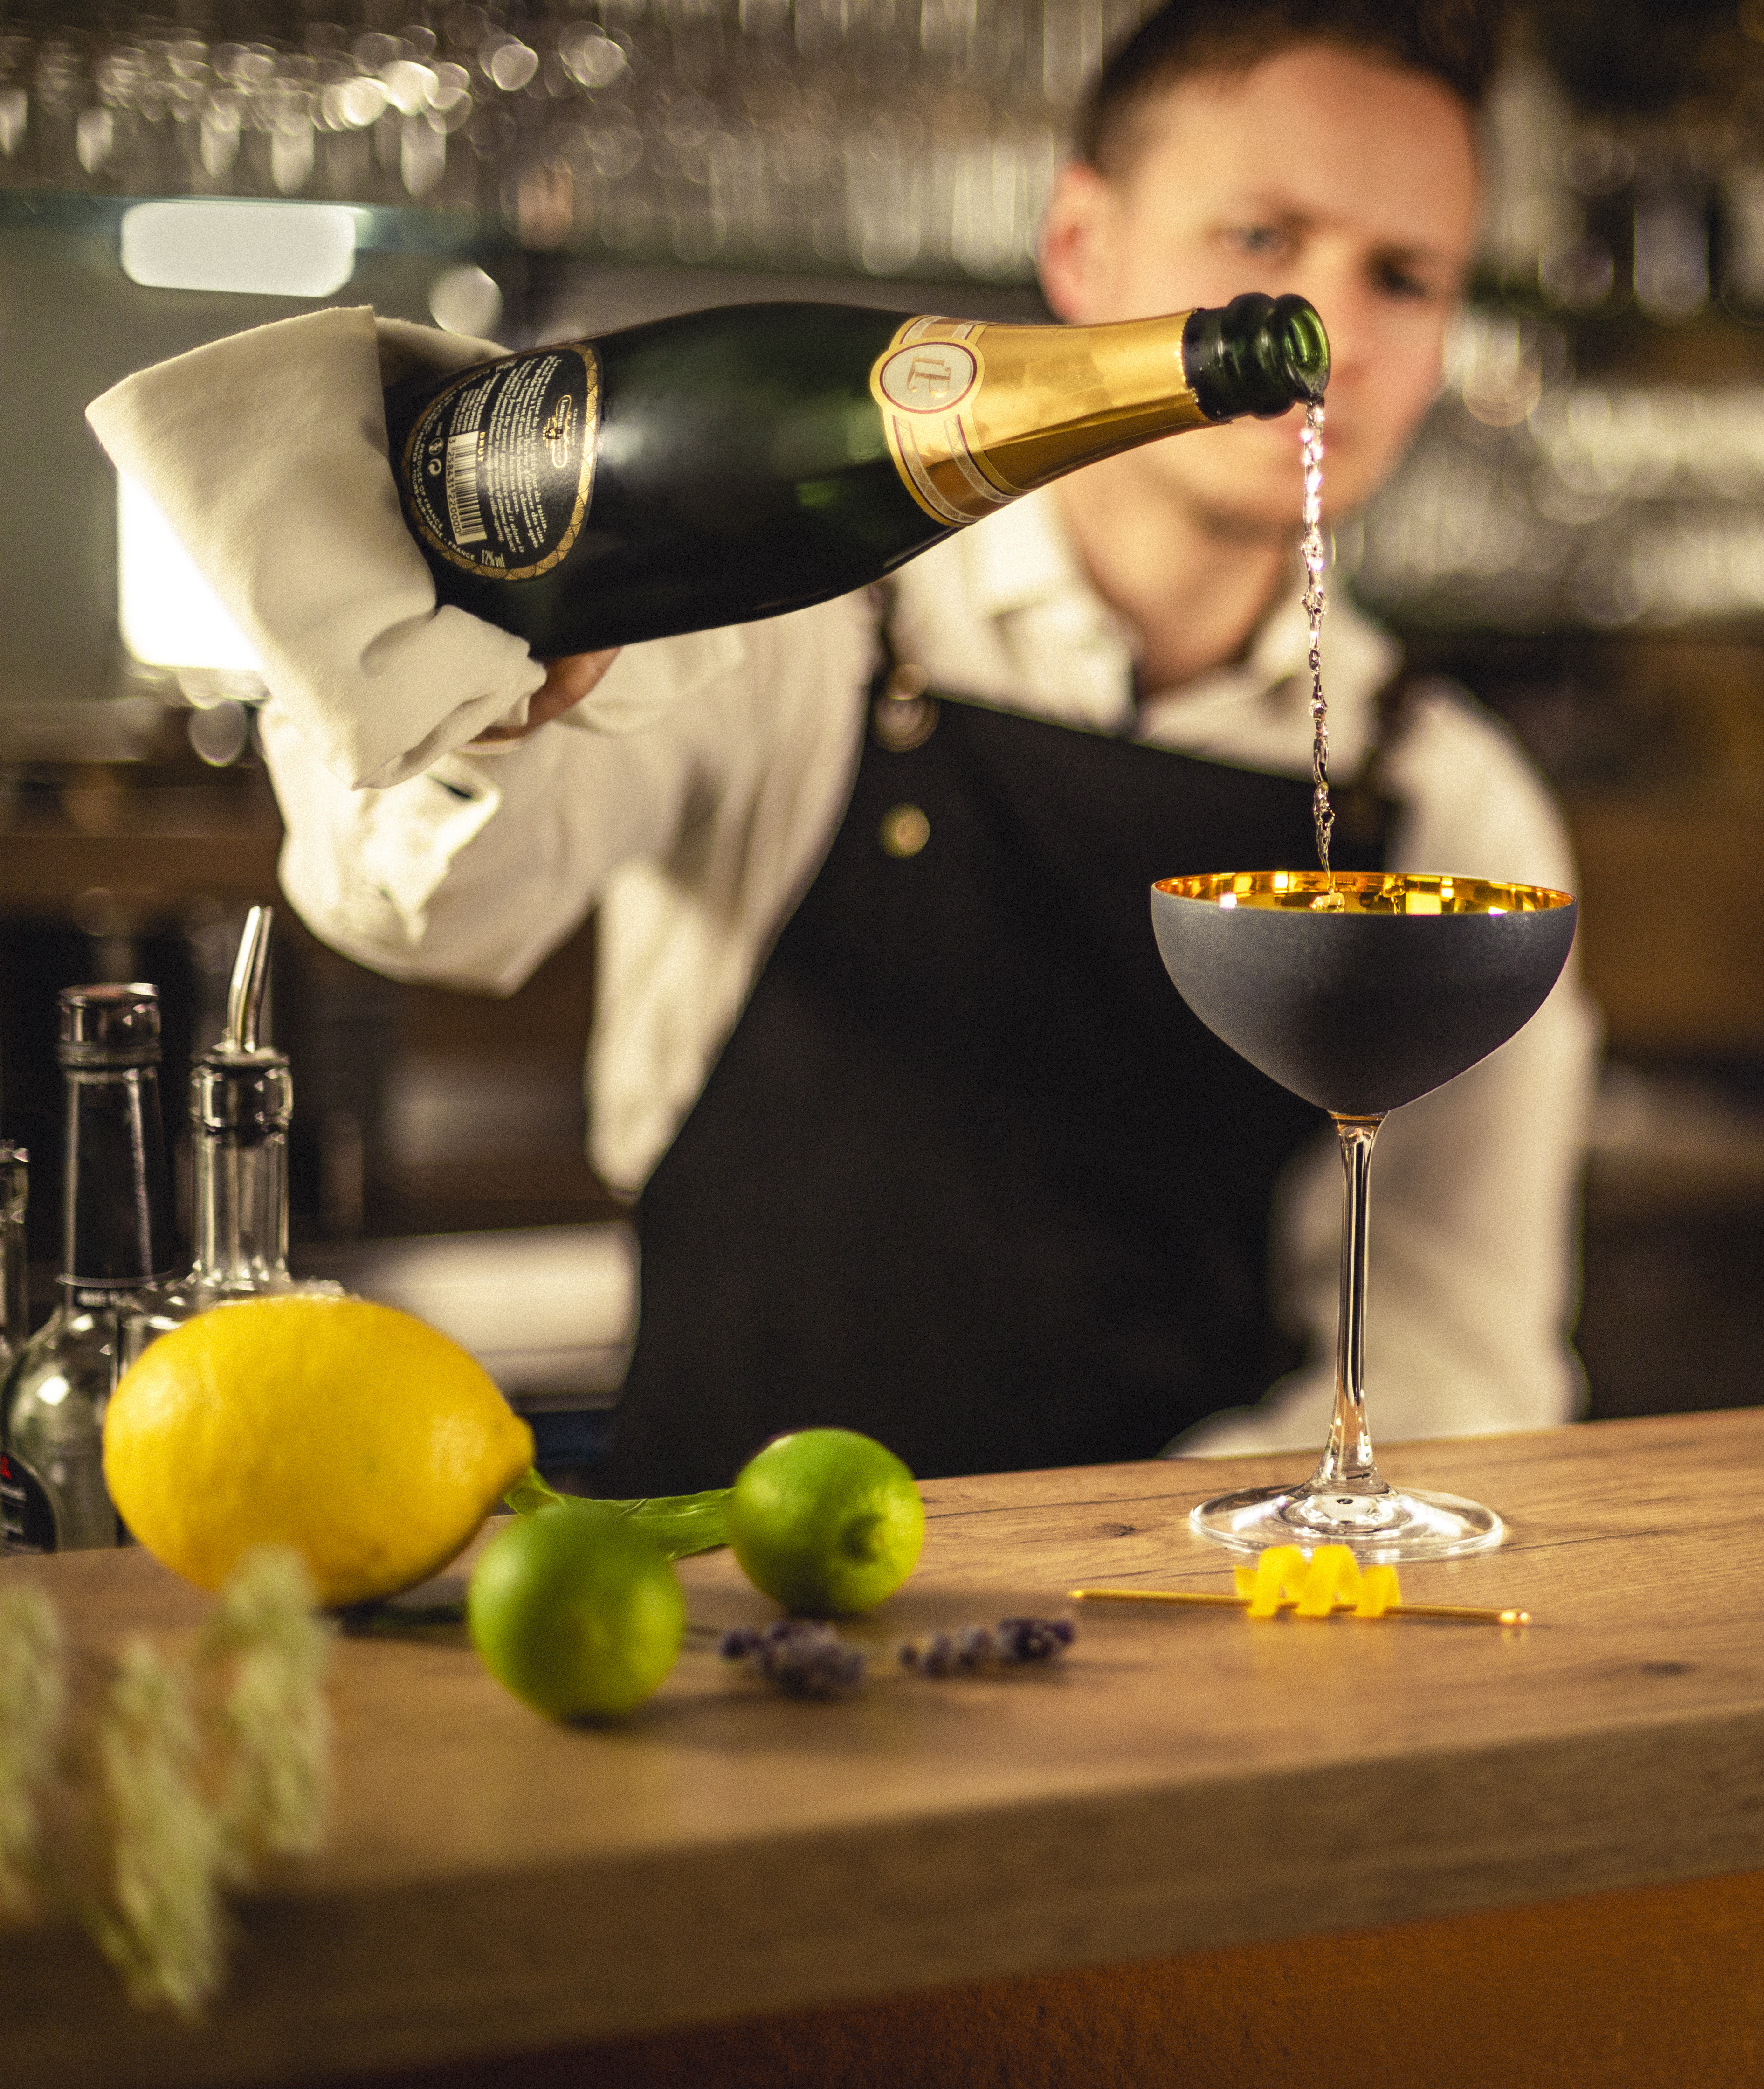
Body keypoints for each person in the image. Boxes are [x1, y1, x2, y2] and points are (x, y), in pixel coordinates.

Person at [100, 0, 1595, 1492]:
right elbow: (428, 912)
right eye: (1263, 241)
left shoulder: (1446, 798)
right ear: (1081, 247)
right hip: (718, 1603)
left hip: (1191, 1642)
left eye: (1404, 275)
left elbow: (1454, 1356)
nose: (1332, 329)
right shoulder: (802, 617)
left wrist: (1131, 1585)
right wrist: (490, 686)